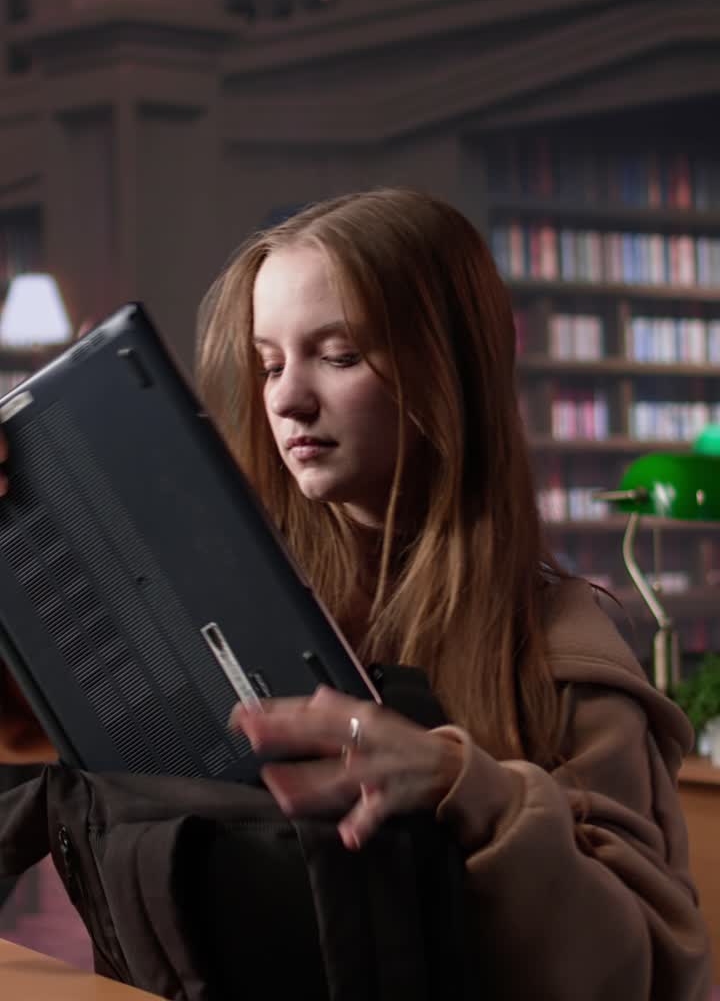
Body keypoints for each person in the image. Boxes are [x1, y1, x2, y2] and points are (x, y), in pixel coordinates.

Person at [0, 187, 712, 998]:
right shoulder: (215, 602)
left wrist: (459, 784)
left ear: (448, 372)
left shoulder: (562, 652)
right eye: (269, 363)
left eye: (338, 356)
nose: (285, 398)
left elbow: (647, 971)